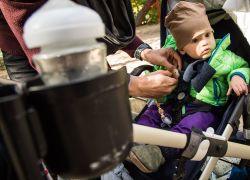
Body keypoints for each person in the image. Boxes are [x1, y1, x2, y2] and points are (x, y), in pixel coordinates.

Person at [0, 0, 182, 179]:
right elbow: (62, 64)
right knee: (68, 136)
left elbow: (98, 18)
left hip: (69, 46)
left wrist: (142, 51)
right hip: (30, 50)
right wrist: (131, 85)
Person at [128, 1, 250, 173]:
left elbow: (241, 66)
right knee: (151, 113)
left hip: (204, 110)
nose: (205, 42)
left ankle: (157, 153)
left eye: (207, 35)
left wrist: (236, 77)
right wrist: (164, 75)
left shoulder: (223, 56)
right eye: (195, 40)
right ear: (182, 48)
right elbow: (159, 76)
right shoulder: (174, 56)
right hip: (172, 104)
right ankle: (135, 142)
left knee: (191, 129)